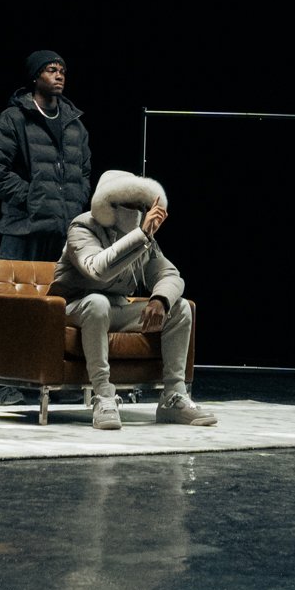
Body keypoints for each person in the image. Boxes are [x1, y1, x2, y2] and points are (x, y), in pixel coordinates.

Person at [56, 170, 214, 430]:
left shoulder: (144, 239)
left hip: (115, 308)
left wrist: (160, 300)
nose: (137, 211)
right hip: (74, 306)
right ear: (110, 205)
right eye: (130, 205)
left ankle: (173, 397)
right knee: (97, 302)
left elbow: (169, 274)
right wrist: (141, 235)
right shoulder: (82, 227)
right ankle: (104, 397)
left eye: (141, 206)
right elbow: (97, 269)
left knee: (180, 307)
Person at [0, 50, 94, 405]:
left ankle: (57, 379)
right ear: (35, 77)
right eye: (51, 69)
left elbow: (85, 172)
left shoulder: (75, 123)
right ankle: (5, 386)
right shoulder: (14, 118)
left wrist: (76, 202)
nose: (59, 75)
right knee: (13, 308)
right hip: (23, 228)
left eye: (62, 69)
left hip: (63, 230)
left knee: (60, 307)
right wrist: (33, 198)